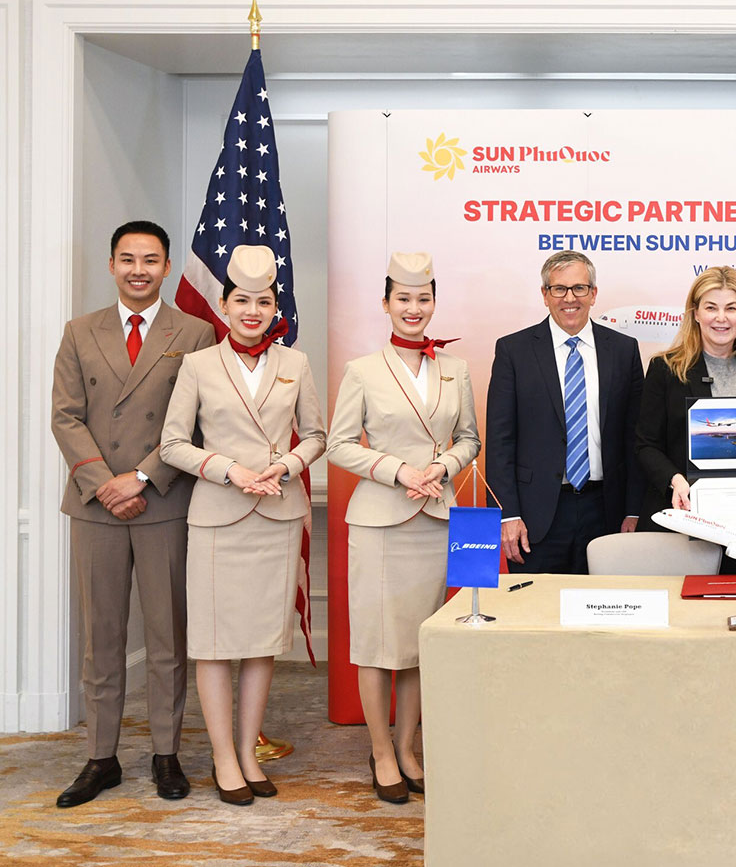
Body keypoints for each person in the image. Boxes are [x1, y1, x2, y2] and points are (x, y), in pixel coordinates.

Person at [49, 220, 214, 807]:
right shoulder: (78, 331)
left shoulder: (194, 332)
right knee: (101, 637)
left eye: (150, 259)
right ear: (112, 264)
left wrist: (142, 477)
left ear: (167, 267)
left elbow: (196, 421)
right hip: (96, 505)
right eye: (127, 259)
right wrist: (106, 483)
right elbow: (65, 416)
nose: (139, 269)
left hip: (163, 501)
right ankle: (100, 757)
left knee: (168, 635)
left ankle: (166, 753)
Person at [159, 245, 326, 805]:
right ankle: (223, 756)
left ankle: (249, 753)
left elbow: (319, 436)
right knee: (212, 644)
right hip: (218, 517)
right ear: (224, 306)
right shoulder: (198, 365)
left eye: (263, 301)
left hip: (277, 511)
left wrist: (285, 465)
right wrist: (231, 470)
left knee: (260, 644)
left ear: (275, 306)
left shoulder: (295, 365)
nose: (252, 311)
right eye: (241, 301)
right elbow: (173, 444)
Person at [327, 252, 480, 803]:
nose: (413, 309)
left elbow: (470, 438)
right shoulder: (362, 370)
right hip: (380, 520)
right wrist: (399, 471)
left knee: (420, 642)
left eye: (423, 299)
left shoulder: (453, 368)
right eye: (403, 299)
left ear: (434, 302)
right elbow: (339, 444)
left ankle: (409, 746)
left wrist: (442, 468)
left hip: (436, 516)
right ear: (385, 303)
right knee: (376, 643)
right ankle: (381, 750)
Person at [486, 250, 643, 574]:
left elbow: (635, 438)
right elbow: (500, 441)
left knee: (606, 614)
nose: (569, 298)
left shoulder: (624, 350)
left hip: (607, 511)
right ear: (545, 295)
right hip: (536, 516)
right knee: (537, 617)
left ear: (594, 293)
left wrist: (634, 509)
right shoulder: (513, 351)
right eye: (559, 289)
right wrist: (508, 514)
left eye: (579, 288)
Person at [635, 267, 736, 573]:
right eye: (711, 308)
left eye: (731, 308)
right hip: (684, 521)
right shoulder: (666, 369)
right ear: (695, 313)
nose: (721, 318)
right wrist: (675, 480)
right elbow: (645, 445)